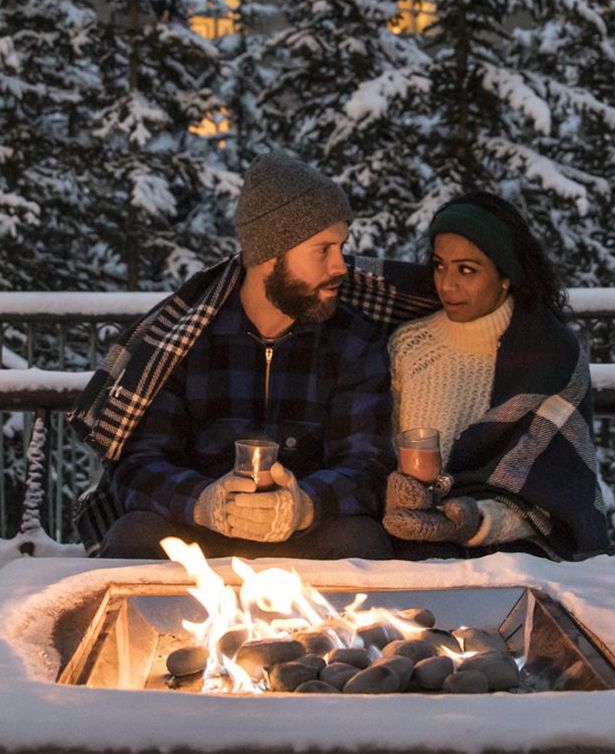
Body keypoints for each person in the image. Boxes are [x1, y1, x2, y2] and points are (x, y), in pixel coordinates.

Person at [79, 152, 428, 560]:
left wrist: (305, 505)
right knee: (134, 535)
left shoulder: (351, 339)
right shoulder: (186, 340)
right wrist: (204, 502)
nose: (340, 266)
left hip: (305, 538)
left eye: (341, 247)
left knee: (360, 541)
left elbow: (367, 465)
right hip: (201, 535)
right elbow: (138, 462)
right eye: (323, 250)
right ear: (269, 255)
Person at [380, 191, 611, 560]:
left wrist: (474, 521)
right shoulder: (408, 346)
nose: (447, 284)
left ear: (506, 276)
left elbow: (553, 491)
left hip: (511, 547)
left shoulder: (548, 356)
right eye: (439, 266)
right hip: (411, 536)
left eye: (466, 270)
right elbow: (380, 455)